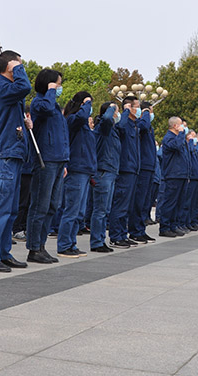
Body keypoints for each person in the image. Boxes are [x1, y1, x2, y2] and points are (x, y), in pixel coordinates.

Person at [0, 50, 31, 272]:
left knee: (10, 210)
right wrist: (16, 67)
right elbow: (24, 87)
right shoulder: (1, 87)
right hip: (4, 156)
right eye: (19, 64)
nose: (22, 68)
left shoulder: (10, 93)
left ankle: (3, 253)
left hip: (13, 155)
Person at [26, 69, 69, 264]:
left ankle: (41, 245)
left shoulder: (54, 104)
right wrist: (50, 91)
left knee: (53, 205)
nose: (59, 88)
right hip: (45, 160)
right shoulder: (40, 102)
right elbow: (45, 109)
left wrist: (65, 161)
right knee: (40, 205)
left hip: (58, 160)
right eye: (57, 84)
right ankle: (34, 247)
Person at [57, 91, 94, 257]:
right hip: (76, 169)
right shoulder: (72, 120)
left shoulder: (84, 126)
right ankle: (64, 244)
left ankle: (71, 243)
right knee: (71, 210)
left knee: (79, 212)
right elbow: (80, 117)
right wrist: (86, 103)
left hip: (85, 170)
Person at [108, 97, 141, 248]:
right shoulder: (124, 122)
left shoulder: (134, 124)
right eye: (136, 107)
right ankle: (115, 236)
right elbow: (119, 127)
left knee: (127, 206)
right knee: (120, 203)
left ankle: (122, 233)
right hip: (124, 168)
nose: (138, 110)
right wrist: (126, 111)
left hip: (133, 168)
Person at [89, 101, 119, 252]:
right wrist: (112, 107)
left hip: (111, 171)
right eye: (115, 111)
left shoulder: (112, 130)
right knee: (100, 210)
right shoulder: (103, 127)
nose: (117, 114)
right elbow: (107, 118)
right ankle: (96, 242)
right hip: (103, 171)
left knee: (105, 210)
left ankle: (101, 239)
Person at [158, 116, 190, 237]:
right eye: (181, 124)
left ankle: (173, 225)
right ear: (175, 126)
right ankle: (164, 227)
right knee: (170, 202)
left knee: (178, 203)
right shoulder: (169, 138)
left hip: (181, 174)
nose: (183, 127)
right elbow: (176, 146)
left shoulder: (178, 138)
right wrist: (181, 134)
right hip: (173, 174)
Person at [130, 100, 157, 243]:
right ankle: (135, 230)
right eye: (150, 112)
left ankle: (141, 229)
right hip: (143, 167)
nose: (151, 115)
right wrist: (146, 112)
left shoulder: (148, 127)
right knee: (138, 201)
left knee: (145, 202)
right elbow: (144, 125)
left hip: (150, 167)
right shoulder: (140, 124)